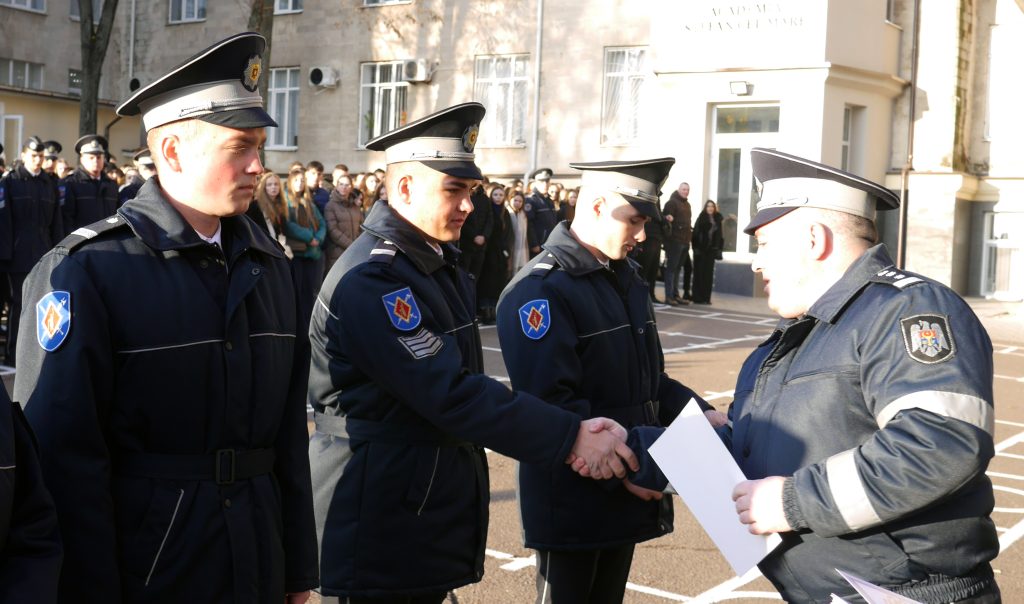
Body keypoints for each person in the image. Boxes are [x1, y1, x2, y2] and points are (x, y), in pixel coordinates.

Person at [15, 33, 318, 602]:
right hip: (154, 573)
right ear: (172, 151)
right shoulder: (87, 273)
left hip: (257, 556)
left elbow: (286, 440)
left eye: (260, 147)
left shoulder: (269, 265)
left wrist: (297, 565)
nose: (258, 165)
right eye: (240, 147)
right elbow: (64, 465)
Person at [625, 148, 1001, 603]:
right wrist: (635, 452)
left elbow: (938, 444)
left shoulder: (907, 309)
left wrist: (793, 503)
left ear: (814, 239)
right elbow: (754, 444)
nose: (757, 263)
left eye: (764, 244)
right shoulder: (803, 332)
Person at [307, 102, 638, 603]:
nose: (467, 206)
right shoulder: (374, 280)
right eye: (453, 191)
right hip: (374, 519)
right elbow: (451, 393)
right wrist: (569, 435)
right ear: (404, 188)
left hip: (410, 509)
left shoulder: (430, 263)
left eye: (470, 192)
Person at [497, 158, 722, 604]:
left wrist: (704, 415)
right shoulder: (541, 290)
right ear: (598, 206)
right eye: (634, 221)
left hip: (623, 487)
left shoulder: (625, 277)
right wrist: (636, 468)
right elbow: (552, 407)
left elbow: (650, 383)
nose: (642, 235)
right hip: (574, 501)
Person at [0, 136, 63, 366]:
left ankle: (35, 353)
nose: (38, 160)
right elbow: (5, 221)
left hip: (43, 253)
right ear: (24, 155)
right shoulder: (11, 181)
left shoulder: (48, 183)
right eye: (34, 155)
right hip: (18, 255)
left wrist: (59, 252)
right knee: (19, 304)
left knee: (41, 303)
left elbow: (56, 223)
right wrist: (5, 255)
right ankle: (13, 354)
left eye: (41, 156)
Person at [283, 164, 327, 333]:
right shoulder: (285, 200)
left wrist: (318, 238)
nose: (300, 183)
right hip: (296, 254)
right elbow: (288, 225)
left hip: (312, 254)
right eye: (296, 180)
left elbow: (322, 223)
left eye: (302, 180)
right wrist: (309, 237)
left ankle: (309, 329)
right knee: (297, 294)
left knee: (310, 293)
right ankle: (299, 330)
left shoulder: (308, 201)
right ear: (290, 182)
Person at [59, 134, 119, 234]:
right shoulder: (71, 183)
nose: (96, 161)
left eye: (99, 157)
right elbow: (66, 219)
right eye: (91, 158)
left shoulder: (111, 185)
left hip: (109, 239)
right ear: (82, 159)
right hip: (82, 240)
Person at [477, 183, 514, 324]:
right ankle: (485, 311)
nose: (498, 198)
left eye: (501, 195)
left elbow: (507, 232)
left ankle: (494, 310)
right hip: (488, 250)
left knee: (498, 281)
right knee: (487, 281)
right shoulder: (488, 209)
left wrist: (506, 250)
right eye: (495, 194)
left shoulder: (505, 213)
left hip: (500, 251)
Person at [323, 171, 363, 273]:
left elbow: (362, 226)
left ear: (351, 187)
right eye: (341, 184)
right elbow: (332, 230)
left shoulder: (355, 206)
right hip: (337, 253)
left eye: (347, 185)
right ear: (336, 186)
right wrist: (351, 245)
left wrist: (358, 244)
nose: (344, 187)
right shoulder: (330, 206)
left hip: (355, 251)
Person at [662, 181, 693, 304]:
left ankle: (675, 295)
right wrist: (667, 218)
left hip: (685, 241)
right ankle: (669, 297)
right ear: (679, 190)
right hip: (674, 241)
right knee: (671, 269)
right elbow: (665, 220)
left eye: (687, 190)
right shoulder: (672, 203)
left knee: (678, 269)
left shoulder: (688, 205)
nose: (686, 191)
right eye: (684, 189)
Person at [457, 180, 493, 284]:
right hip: (466, 243)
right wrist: (473, 236)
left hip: (481, 246)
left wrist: (484, 236)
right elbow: (462, 221)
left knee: (475, 277)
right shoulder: (465, 197)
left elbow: (490, 220)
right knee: (463, 275)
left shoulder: (485, 199)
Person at [690, 199, 723, 304]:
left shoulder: (718, 219)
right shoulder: (701, 217)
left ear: (714, 208)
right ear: (705, 208)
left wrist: (718, 249)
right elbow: (695, 234)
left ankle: (706, 298)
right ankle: (697, 297)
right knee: (699, 274)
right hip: (700, 250)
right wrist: (696, 249)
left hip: (711, 251)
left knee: (708, 275)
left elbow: (720, 236)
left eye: (712, 206)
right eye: (708, 206)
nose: (710, 208)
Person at [525, 167, 559, 256]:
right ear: (535, 182)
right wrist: (534, 244)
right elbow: (529, 224)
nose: (545, 184)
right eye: (541, 181)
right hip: (538, 245)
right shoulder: (531, 200)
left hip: (549, 243)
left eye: (547, 181)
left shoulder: (549, 200)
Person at [506, 188, 530, 275]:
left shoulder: (523, 215)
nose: (517, 203)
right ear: (510, 199)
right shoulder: (506, 212)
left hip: (521, 247)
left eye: (520, 201)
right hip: (508, 246)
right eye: (515, 200)